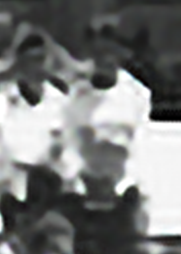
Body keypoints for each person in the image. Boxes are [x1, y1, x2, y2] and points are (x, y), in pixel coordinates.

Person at [0, 27, 70, 227]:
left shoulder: (58, 97)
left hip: (47, 180)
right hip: (9, 180)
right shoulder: (1, 94)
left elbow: (62, 138)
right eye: (31, 58)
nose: (37, 65)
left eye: (42, 58)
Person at [61, 15, 153, 194]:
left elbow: (133, 146)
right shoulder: (75, 95)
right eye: (100, 51)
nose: (106, 57)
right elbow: (81, 146)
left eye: (111, 51)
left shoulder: (137, 93)